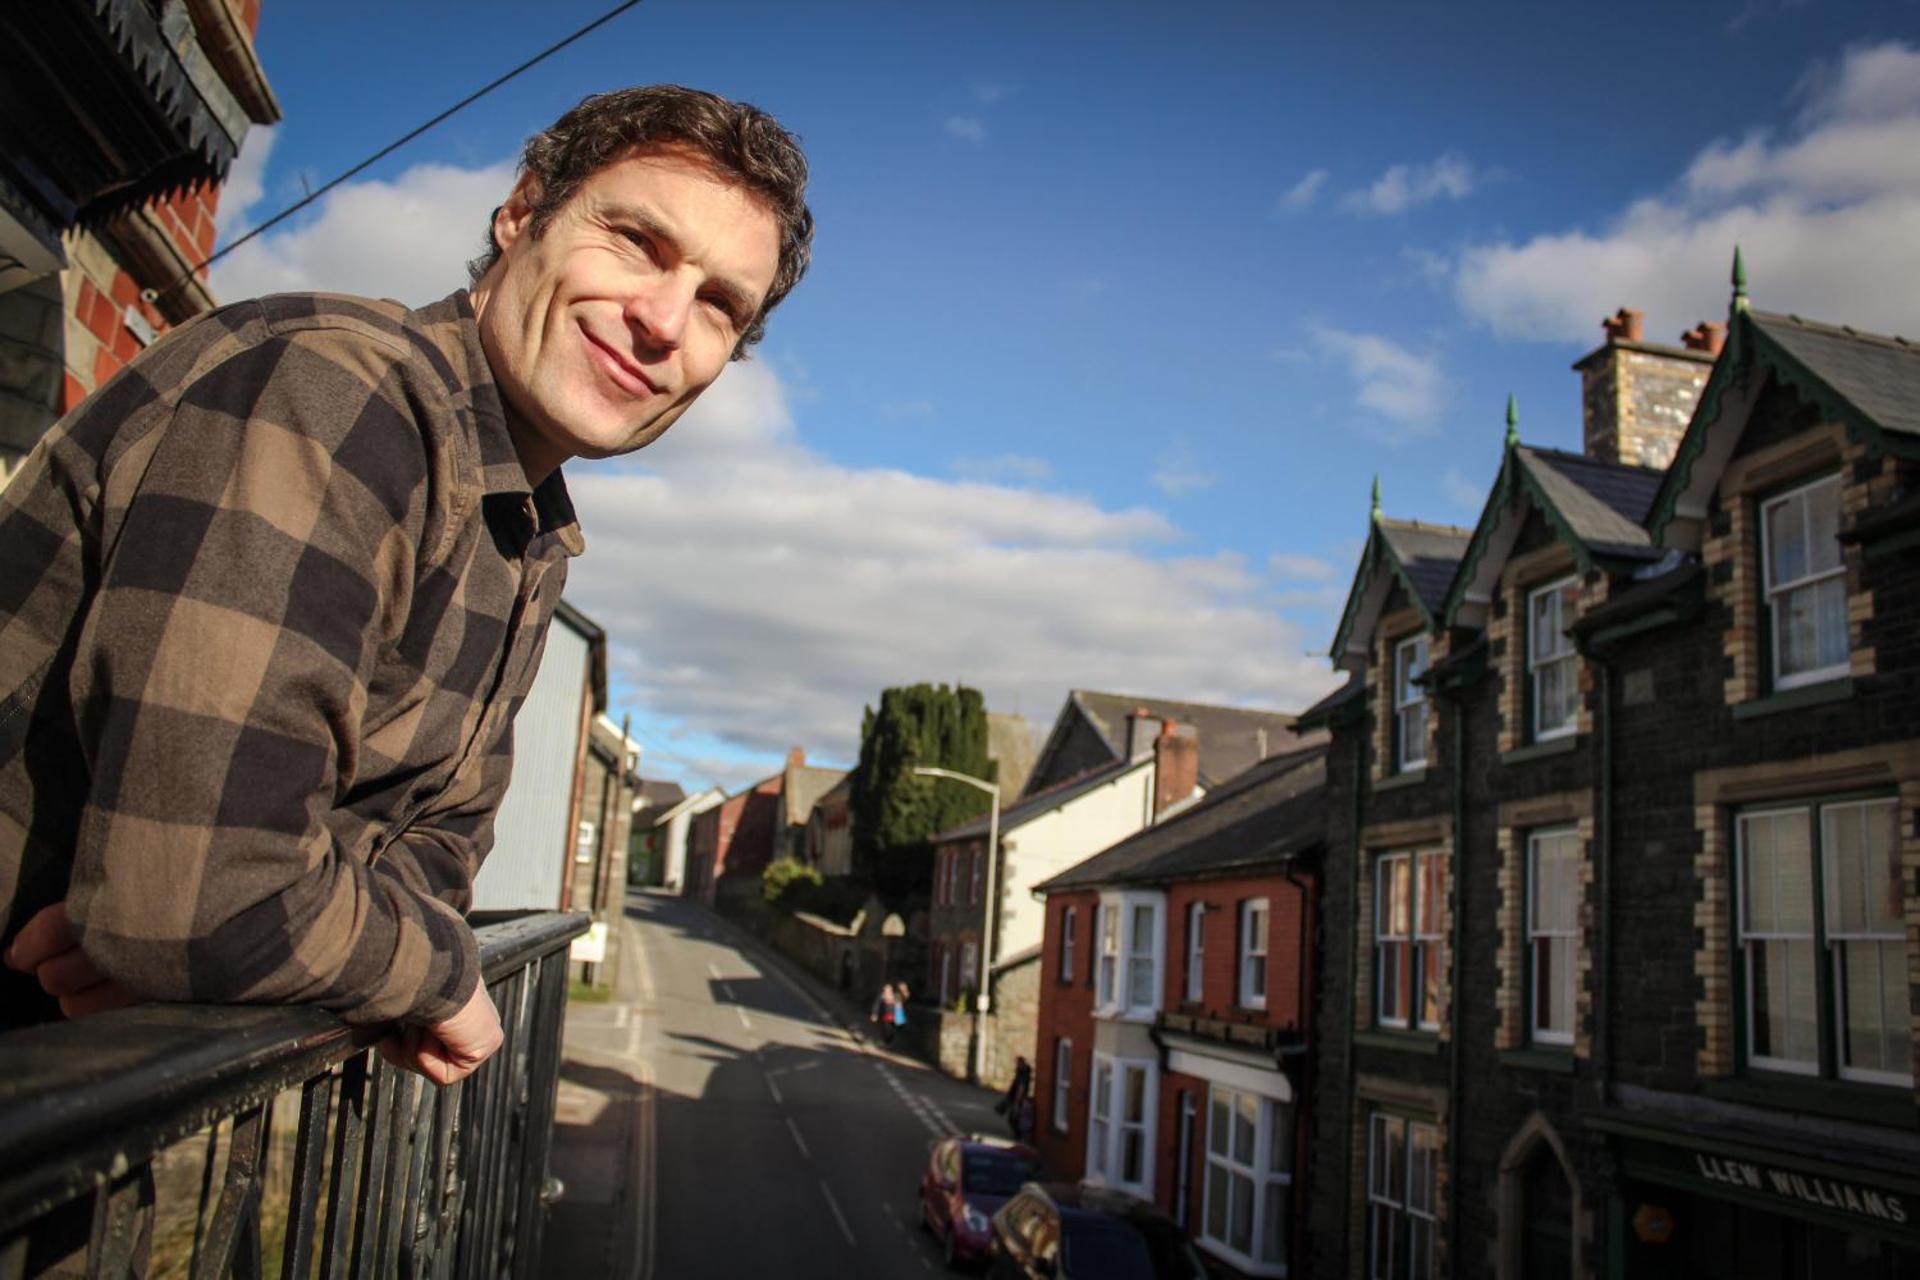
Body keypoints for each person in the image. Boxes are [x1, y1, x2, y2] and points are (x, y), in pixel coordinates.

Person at [0, 85, 814, 1087]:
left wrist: (213, 940)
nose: (661, 320)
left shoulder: (521, 526)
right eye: (637, 241)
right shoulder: (342, 396)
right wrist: (431, 976)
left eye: (719, 305)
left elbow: (431, 857)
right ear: (524, 211)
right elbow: (202, 892)